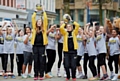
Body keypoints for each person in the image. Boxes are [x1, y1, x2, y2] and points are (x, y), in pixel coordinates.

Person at [60, 15, 79, 81]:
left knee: (73, 66)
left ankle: (74, 76)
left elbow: (77, 26)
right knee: (66, 65)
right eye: (67, 27)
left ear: (72, 27)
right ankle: (68, 76)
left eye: (70, 27)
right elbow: (61, 28)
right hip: (66, 52)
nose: (68, 28)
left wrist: (71, 21)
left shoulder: (74, 33)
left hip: (73, 51)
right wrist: (65, 23)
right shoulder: (65, 33)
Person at [31, 6, 48, 80]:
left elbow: (46, 19)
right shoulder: (34, 29)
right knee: (36, 61)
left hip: (42, 46)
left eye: (40, 22)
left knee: (41, 61)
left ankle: (41, 74)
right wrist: (35, 11)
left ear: (42, 23)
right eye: (38, 22)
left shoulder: (44, 29)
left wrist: (43, 11)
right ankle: (35, 75)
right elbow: (32, 18)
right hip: (35, 46)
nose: (39, 23)